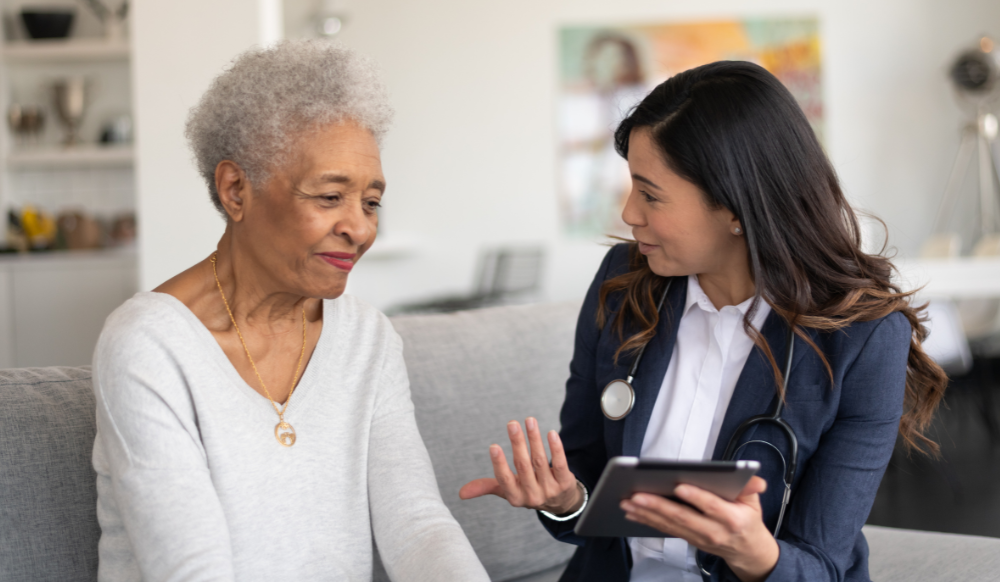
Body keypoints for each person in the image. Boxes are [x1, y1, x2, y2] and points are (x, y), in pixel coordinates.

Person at [461, 61, 947, 581]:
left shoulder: (863, 338)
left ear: (737, 208)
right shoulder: (622, 284)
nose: (629, 213)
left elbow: (821, 563)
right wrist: (565, 498)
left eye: (650, 194)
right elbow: (588, 491)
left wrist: (754, 553)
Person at [92, 40, 490, 582]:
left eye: (371, 201)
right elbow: (192, 569)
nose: (361, 228)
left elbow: (417, 526)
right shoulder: (147, 345)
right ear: (236, 190)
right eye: (330, 197)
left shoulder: (366, 339)